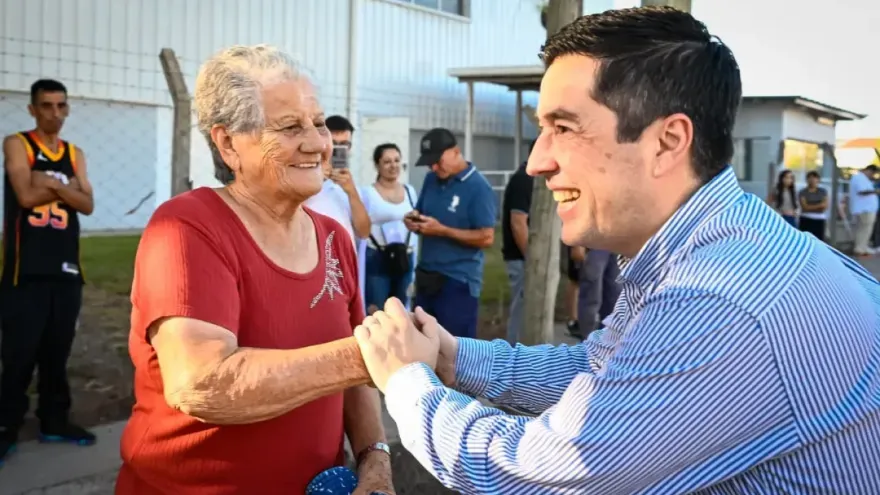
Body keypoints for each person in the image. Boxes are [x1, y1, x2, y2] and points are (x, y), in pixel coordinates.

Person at [351, 8, 880, 494]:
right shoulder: (717, 247)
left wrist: (405, 381)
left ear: (668, 142)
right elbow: (604, 369)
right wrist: (457, 357)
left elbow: (530, 474)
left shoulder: (718, 300)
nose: (537, 162)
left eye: (563, 127)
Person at [115, 45, 393, 495]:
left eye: (318, 123)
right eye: (289, 127)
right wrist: (372, 355)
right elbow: (202, 382)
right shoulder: (188, 226)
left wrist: (375, 462)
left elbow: (355, 380)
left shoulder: (333, 238)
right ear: (227, 143)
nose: (317, 144)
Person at [0, 79, 97, 465]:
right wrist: (65, 187)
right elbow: (24, 196)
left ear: (67, 109)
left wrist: (48, 182)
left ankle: (54, 420)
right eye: (46, 106)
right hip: (26, 270)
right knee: (19, 354)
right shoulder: (17, 144)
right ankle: (6, 425)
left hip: (67, 269)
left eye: (60, 106)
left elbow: (87, 204)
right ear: (32, 109)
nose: (54, 113)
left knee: (57, 353)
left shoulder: (75, 154)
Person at [404, 128, 496, 339]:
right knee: (423, 343)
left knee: (455, 351)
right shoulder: (431, 180)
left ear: (455, 151)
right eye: (429, 163)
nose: (434, 167)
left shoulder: (478, 187)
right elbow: (422, 211)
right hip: (427, 275)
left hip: (457, 280)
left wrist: (442, 231)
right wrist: (415, 220)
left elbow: (486, 237)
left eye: (437, 160)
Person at [363, 143, 419, 314]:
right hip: (378, 258)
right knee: (377, 311)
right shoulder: (367, 193)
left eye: (396, 160)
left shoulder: (410, 191)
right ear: (377, 165)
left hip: (405, 256)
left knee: (402, 311)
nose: (393, 166)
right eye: (387, 162)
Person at [500, 146, 534, 344]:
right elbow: (518, 222)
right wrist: (533, 261)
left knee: (525, 312)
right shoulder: (524, 179)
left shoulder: (530, 179)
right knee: (520, 315)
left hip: (523, 259)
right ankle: (513, 359)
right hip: (521, 260)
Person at [573, 247, 620, 339]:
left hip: (616, 244)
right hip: (593, 244)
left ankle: (608, 341)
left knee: (614, 298)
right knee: (591, 298)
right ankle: (587, 342)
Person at [849, 164, 879, 257]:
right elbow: (861, 191)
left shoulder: (864, 179)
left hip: (867, 208)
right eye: (873, 173)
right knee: (864, 229)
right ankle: (859, 248)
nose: (872, 176)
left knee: (865, 229)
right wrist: (876, 191)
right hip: (864, 209)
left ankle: (862, 247)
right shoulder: (859, 178)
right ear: (869, 170)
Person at [798, 170, 829, 241]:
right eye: (810, 178)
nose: (812, 180)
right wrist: (819, 205)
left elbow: (825, 205)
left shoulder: (823, 191)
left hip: (819, 219)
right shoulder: (803, 192)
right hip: (806, 218)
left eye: (814, 178)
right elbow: (805, 207)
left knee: (819, 240)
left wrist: (811, 206)